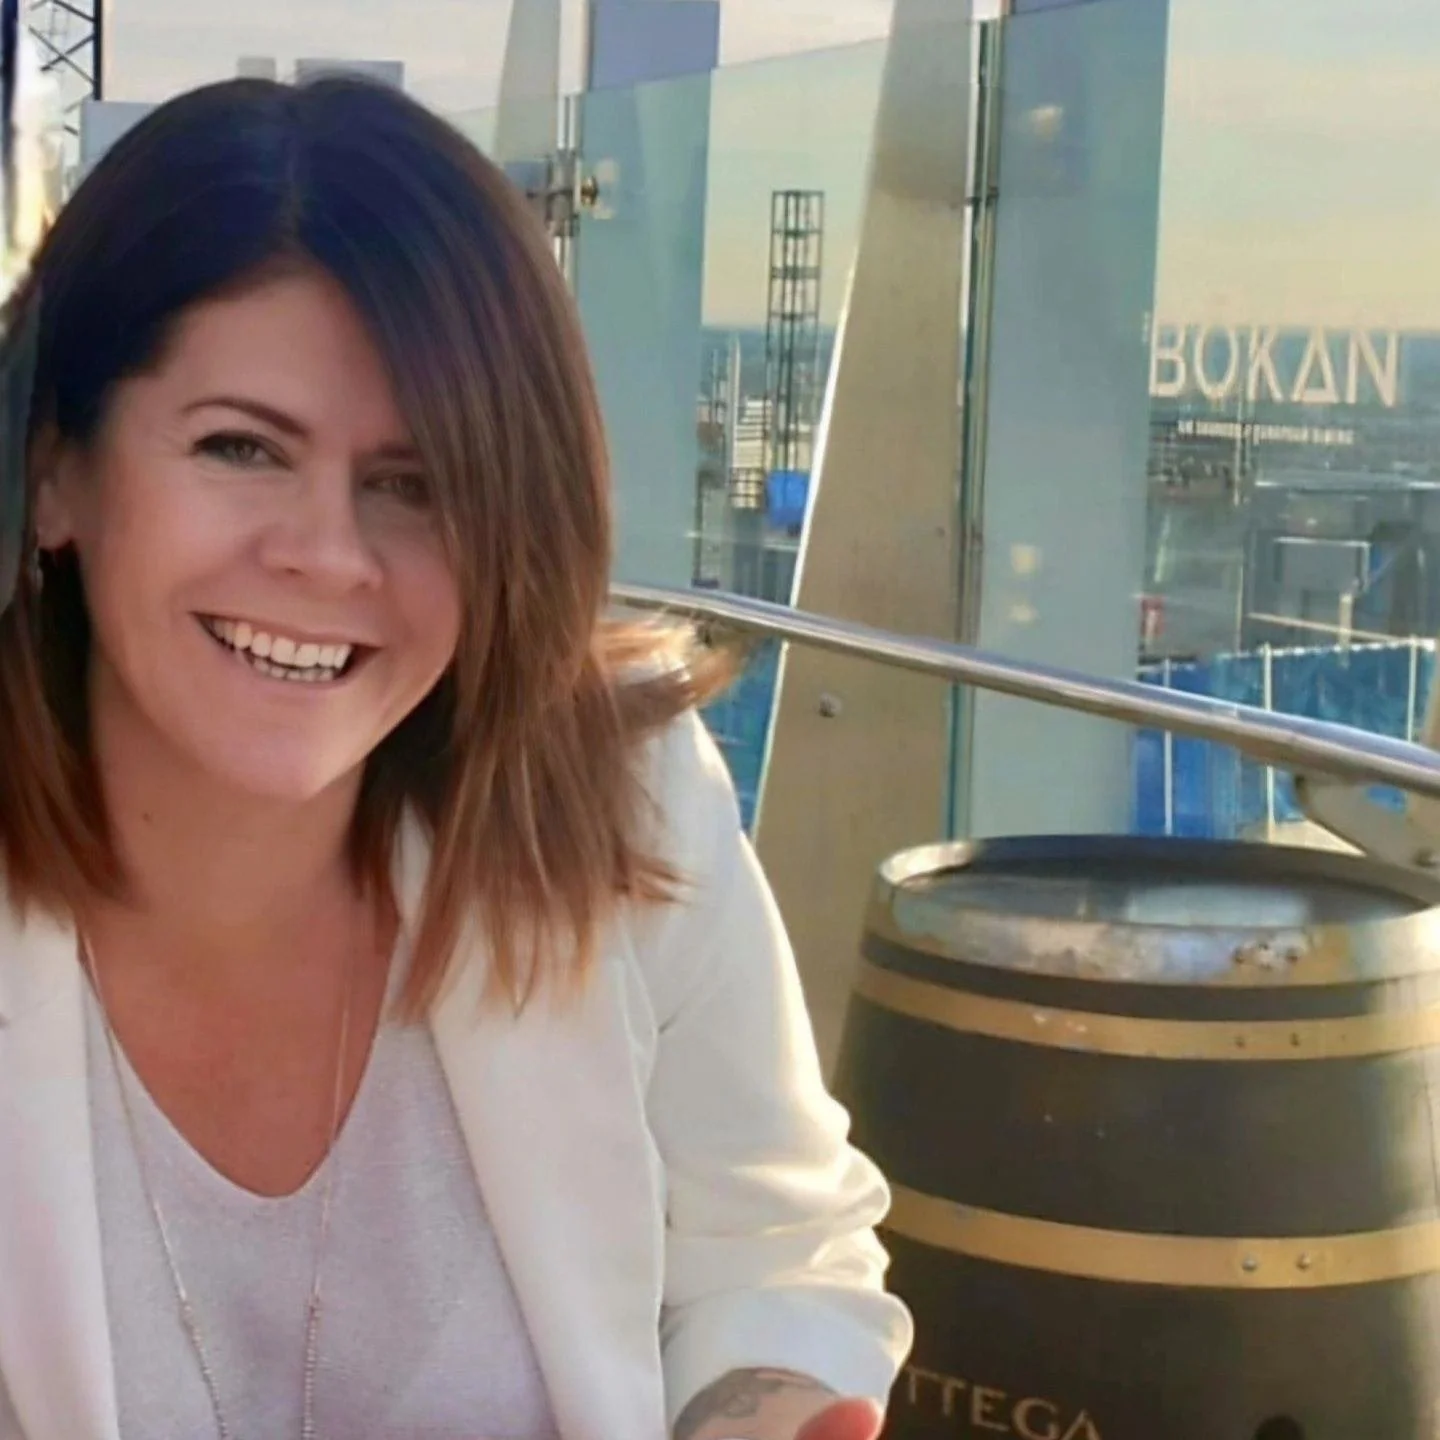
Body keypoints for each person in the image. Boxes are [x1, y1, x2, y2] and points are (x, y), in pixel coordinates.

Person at [0, 72, 913, 1440]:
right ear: (58, 469)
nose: (328, 555)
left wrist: (757, 1406)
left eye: (414, 485)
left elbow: (776, 1239)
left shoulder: (620, 806)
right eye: (242, 447)